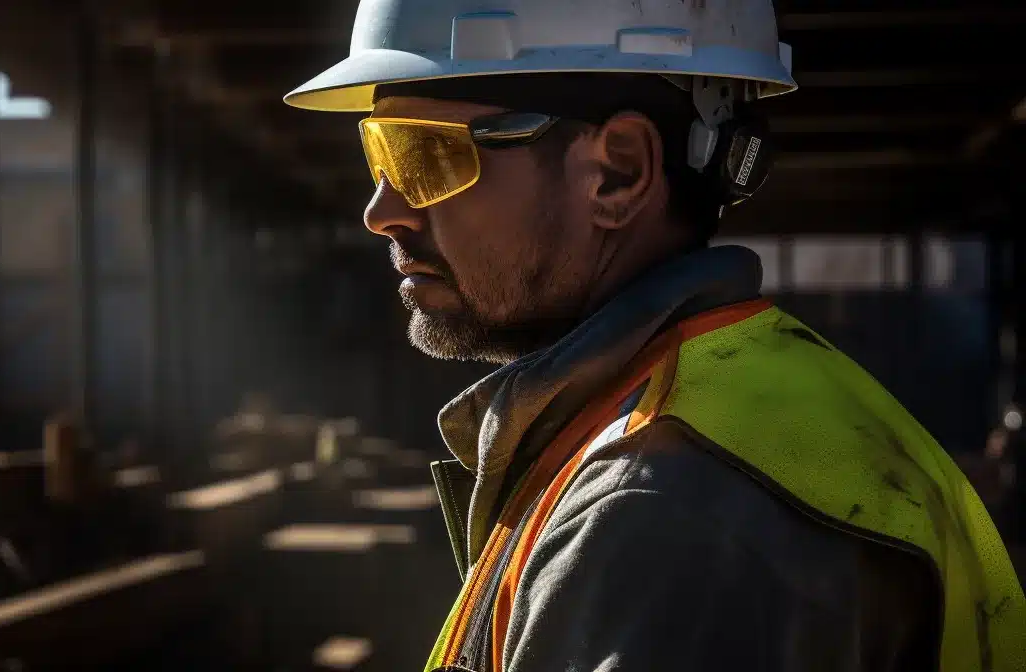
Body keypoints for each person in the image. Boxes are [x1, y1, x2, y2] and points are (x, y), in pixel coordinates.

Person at [284, 1, 1024, 670]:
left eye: (424, 156)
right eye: (378, 156)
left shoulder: (664, 509)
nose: (382, 211)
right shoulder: (735, 410)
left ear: (618, 171)